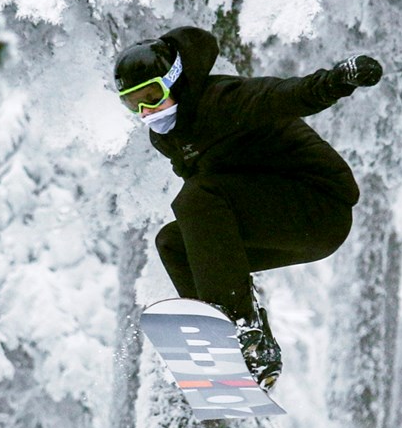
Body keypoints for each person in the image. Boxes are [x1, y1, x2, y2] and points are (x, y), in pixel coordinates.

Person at [113, 26, 383, 388]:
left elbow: (286, 95)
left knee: (195, 198)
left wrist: (337, 81)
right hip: (278, 220)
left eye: (152, 95)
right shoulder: (167, 137)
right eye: (134, 104)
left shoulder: (222, 100)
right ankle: (239, 348)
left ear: (175, 81)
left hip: (319, 206)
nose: (147, 111)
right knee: (173, 244)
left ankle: (240, 330)